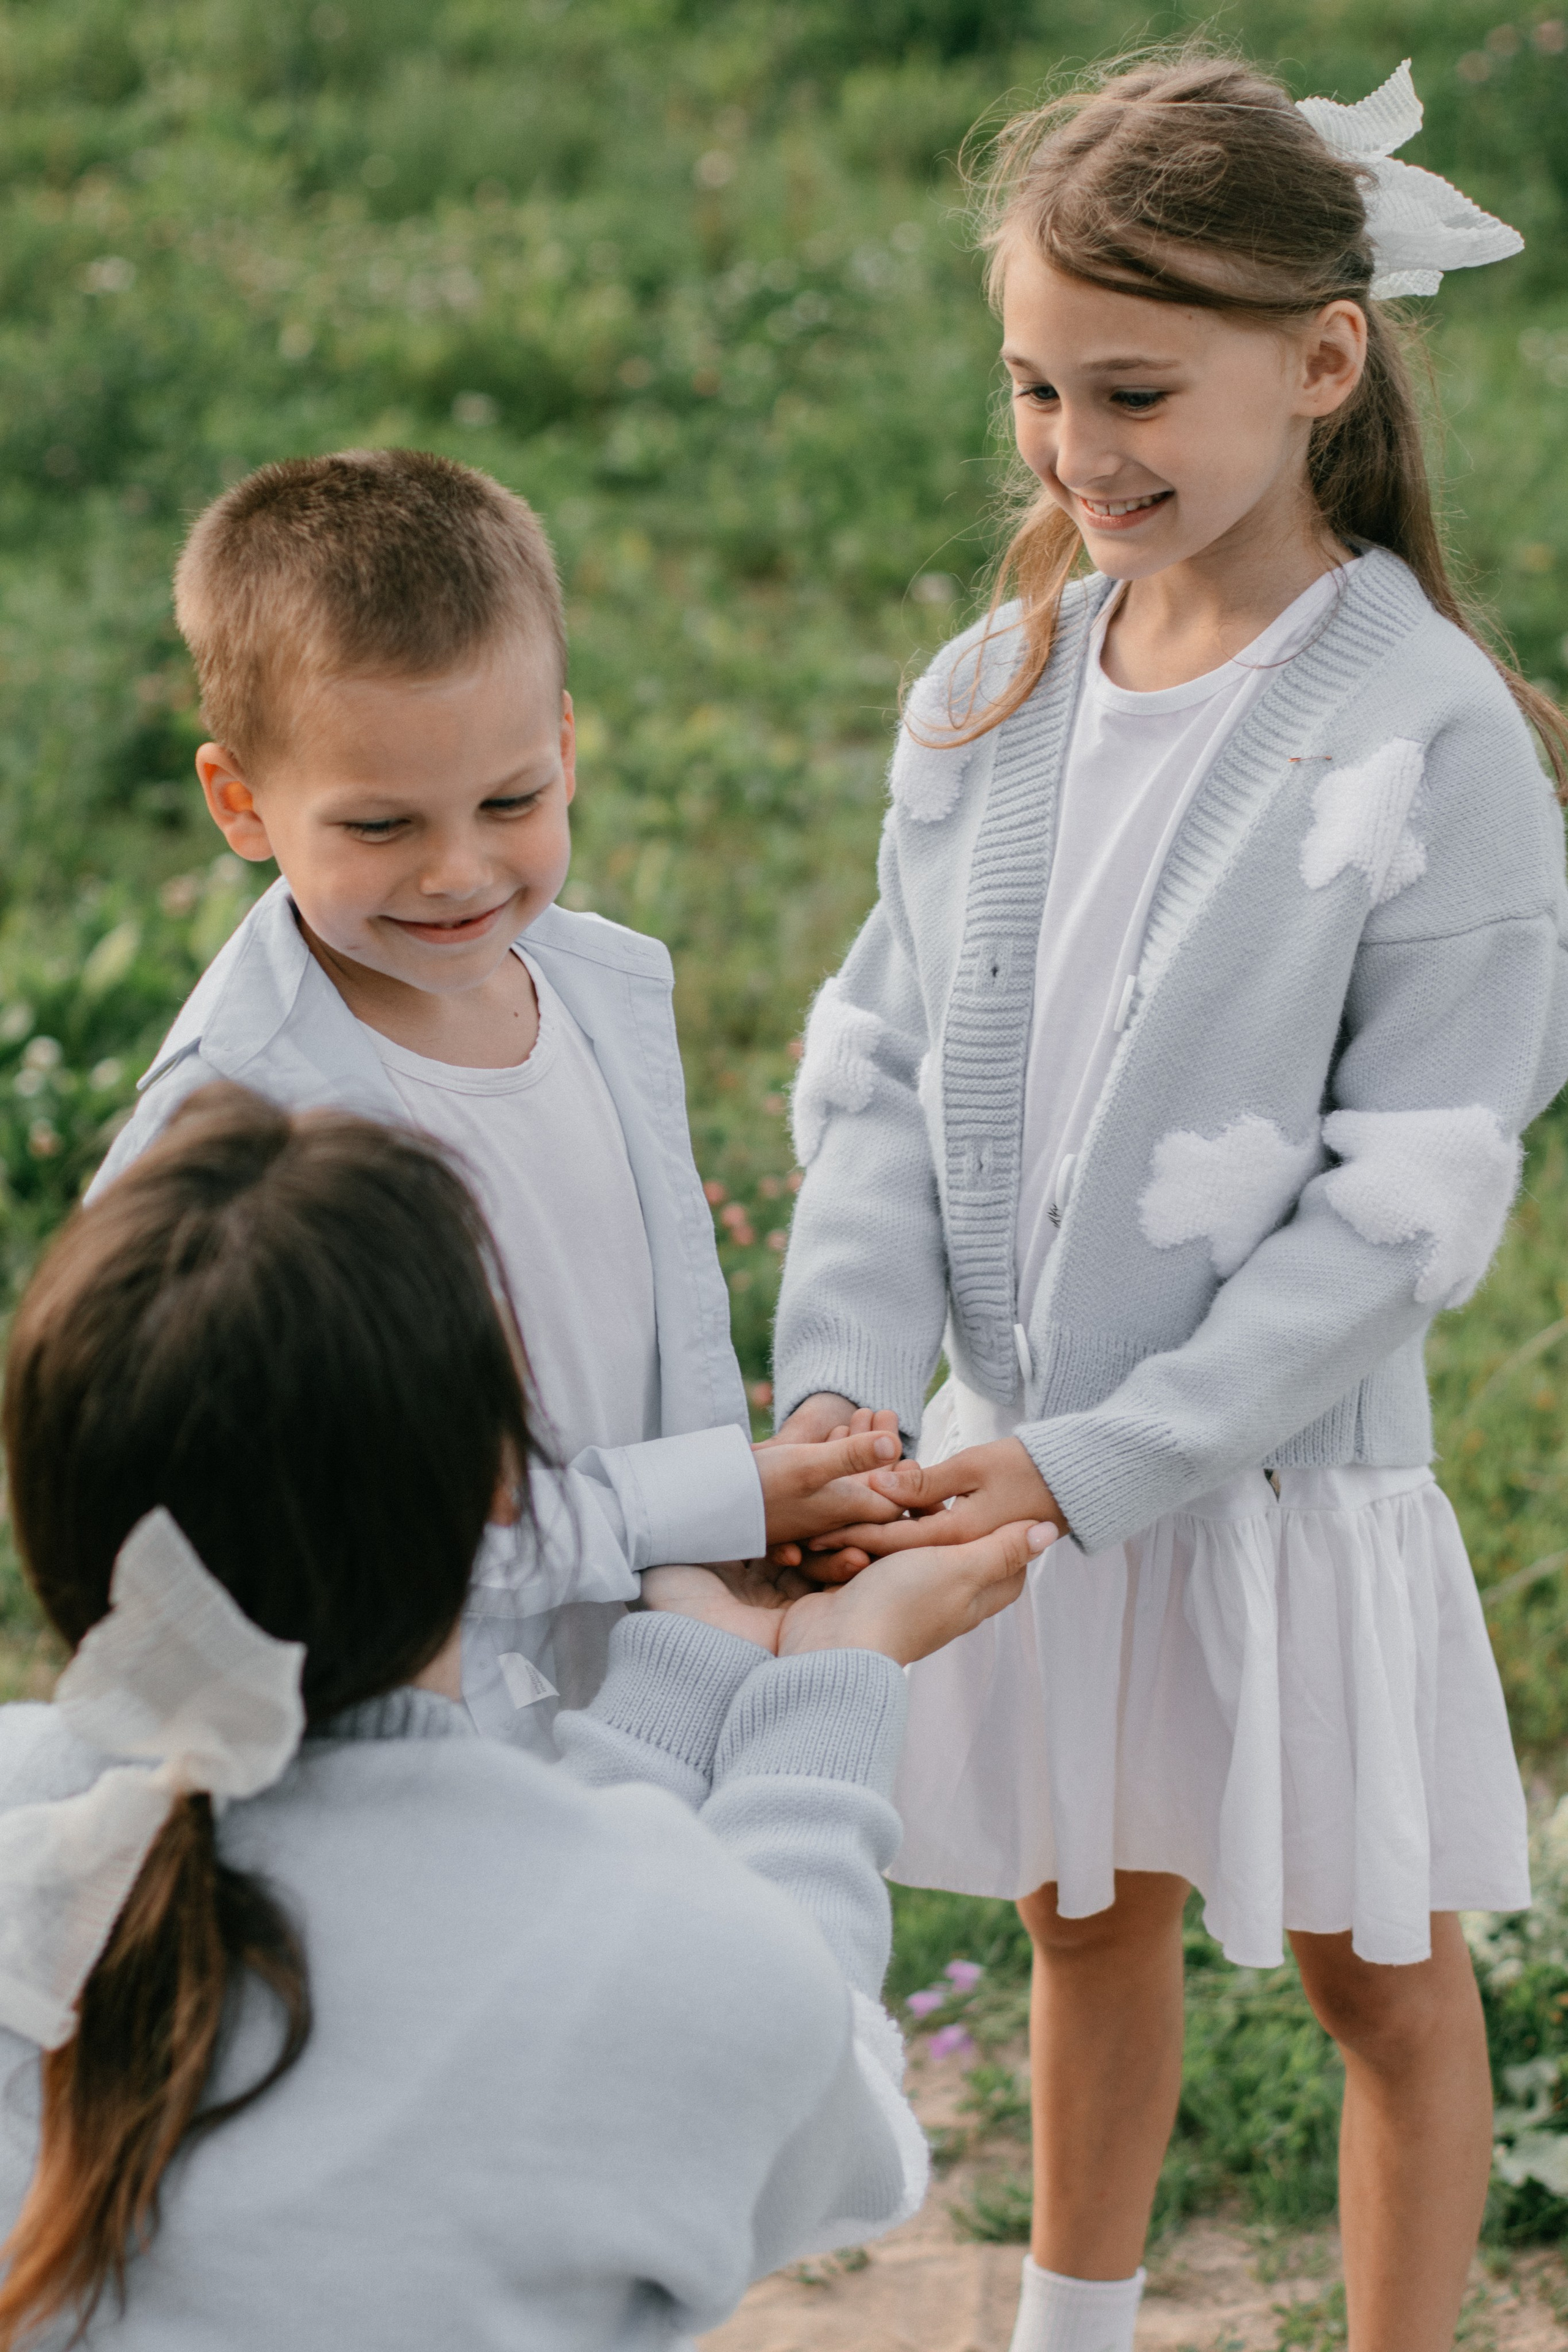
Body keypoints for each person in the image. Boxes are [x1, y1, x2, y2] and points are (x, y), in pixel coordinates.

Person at [771, 53, 1568, 2352]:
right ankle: (1073, 2331)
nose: (1074, 446)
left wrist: (1124, 1453)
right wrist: (845, 1390)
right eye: (1036, 385)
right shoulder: (995, 690)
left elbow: (1407, 1205)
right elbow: (885, 1072)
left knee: (1375, 1967)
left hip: (1265, 1486)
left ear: (1322, 365)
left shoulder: (1429, 740)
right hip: (1003, 1472)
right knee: (1078, 1907)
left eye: (1135, 390)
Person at [0, 1084, 1053, 2350]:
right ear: (507, 1490)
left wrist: (684, 1667)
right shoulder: (673, 1970)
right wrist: (835, 1684)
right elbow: (836, 2130)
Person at [90, 447, 899, 1752]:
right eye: (379, 828)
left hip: (647, 1658)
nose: (457, 870)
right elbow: (340, 1541)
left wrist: (739, 1514)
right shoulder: (242, 1142)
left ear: (566, 746)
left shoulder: (590, 991)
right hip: (414, 1741)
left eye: (509, 800)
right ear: (241, 803)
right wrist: (712, 1502)